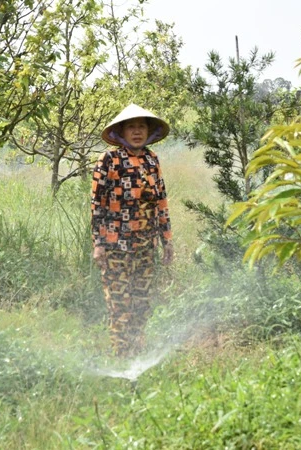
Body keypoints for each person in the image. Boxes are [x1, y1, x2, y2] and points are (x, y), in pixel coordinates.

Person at [91, 103, 174, 357]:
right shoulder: (109, 159)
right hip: (115, 245)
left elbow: (161, 200)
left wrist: (166, 240)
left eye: (141, 127)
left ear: (148, 132)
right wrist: (98, 244)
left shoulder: (152, 160)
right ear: (121, 132)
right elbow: (97, 203)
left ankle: (137, 351)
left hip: (145, 245)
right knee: (119, 303)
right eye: (131, 127)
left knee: (142, 301)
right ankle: (121, 355)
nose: (137, 132)